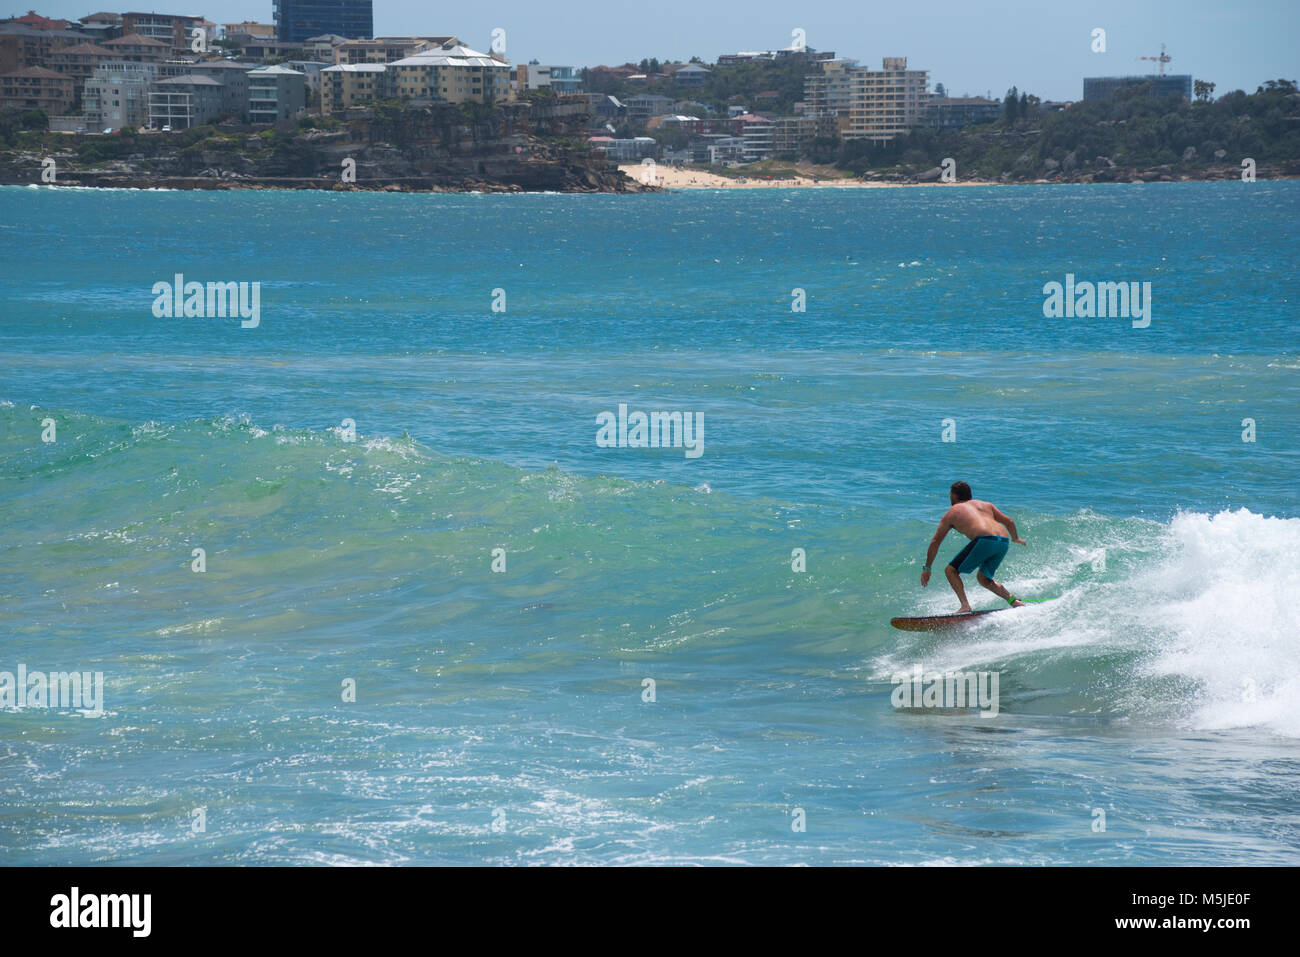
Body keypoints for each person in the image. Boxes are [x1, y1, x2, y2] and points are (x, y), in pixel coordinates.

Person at [920, 481, 1026, 613]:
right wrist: (1015, 538)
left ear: (953, 495)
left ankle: (965, 606)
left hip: (985, 540)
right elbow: (1009, 522)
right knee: (984, 579)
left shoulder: (952, 512)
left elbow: (935, 542)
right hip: (1004, 541)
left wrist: (927, 568)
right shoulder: (986, 505)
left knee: (950, 571)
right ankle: (1014, 602)